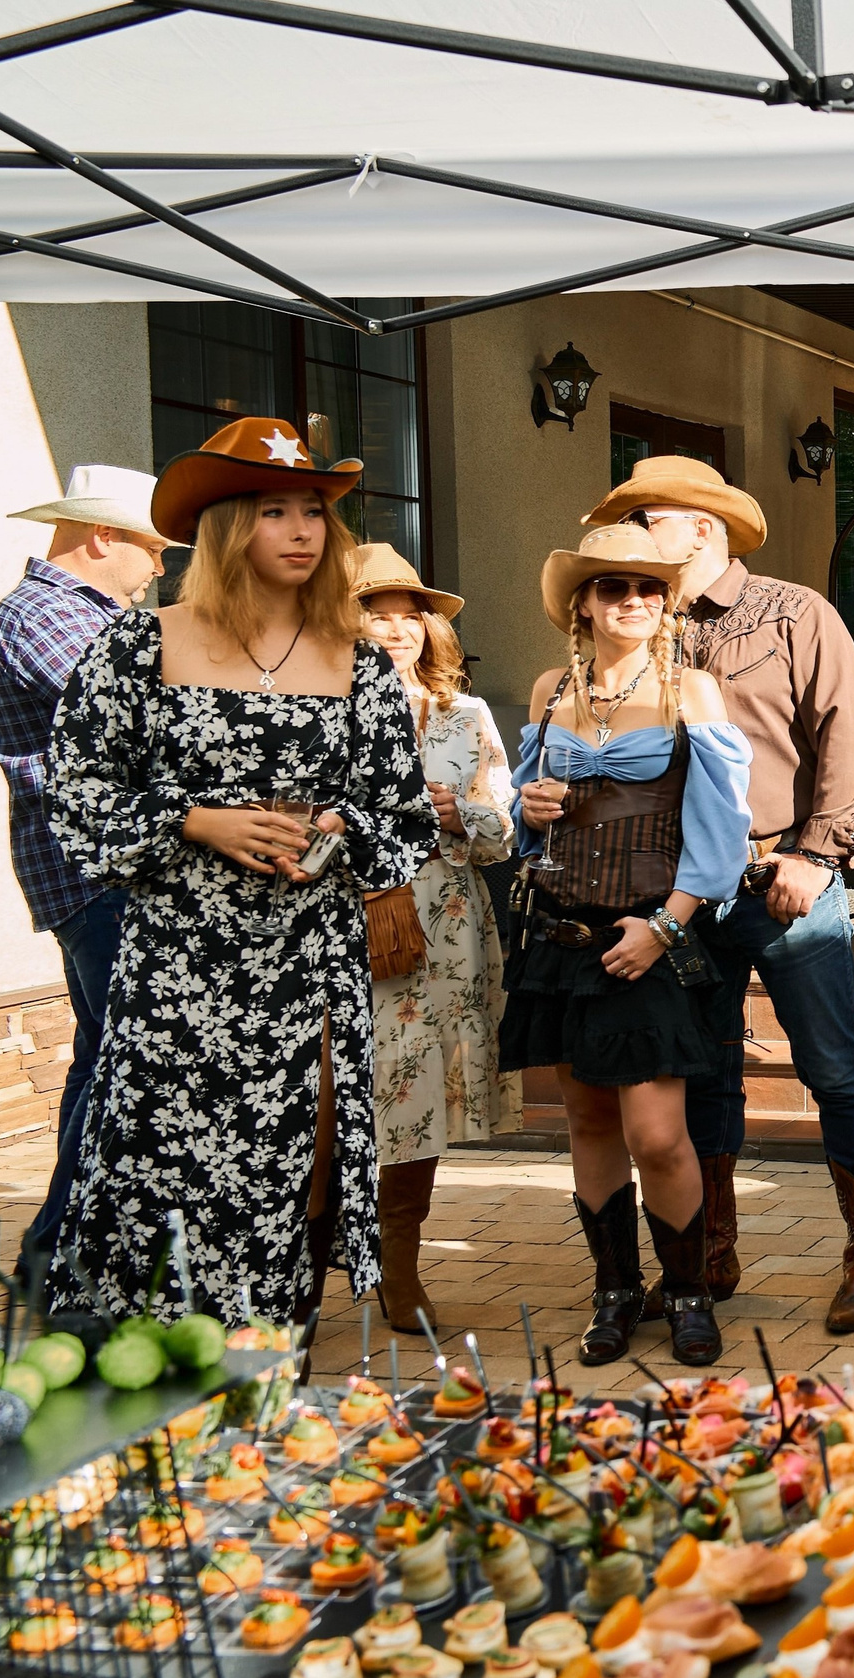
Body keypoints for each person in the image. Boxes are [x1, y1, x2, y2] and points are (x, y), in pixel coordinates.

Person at [45, 418, 435, 1324]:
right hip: (178, 971)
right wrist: (195, 820)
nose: (303, 530)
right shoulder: (138, 649)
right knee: (157, 1169)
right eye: (274, 511)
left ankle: (270, 1381)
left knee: (284, 1174)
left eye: (313, 512)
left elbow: (404, 822)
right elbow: (77, 798)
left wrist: (336, 833)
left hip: (304, 973)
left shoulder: (362, 666)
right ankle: (147, 1386)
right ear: (227, 527)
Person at [582, 458, 854, 1334]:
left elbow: (849, 734)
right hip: (677, 893)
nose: (638, 535)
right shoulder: (639, 624)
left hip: (781, 878)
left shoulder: (796, 613)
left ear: (705, 529)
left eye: (651, 518)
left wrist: (818, 855)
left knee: (834, 1066)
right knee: (703, 1073)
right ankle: (707, 1254)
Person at [506, 523, 753, 1367]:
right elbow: (522, 827)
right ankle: (613, 1293)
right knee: (587, 1121)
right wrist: (528, 811)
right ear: (581, 603)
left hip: (651, 931)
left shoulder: (695, 694)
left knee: (656, 1133)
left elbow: (722, 839)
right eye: (615, 588)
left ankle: (685, 1293)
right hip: (563, 934)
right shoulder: (548, 692)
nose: (636, 602)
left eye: (651, 589)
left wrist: (664, 926)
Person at [0, 465, 168, 1264]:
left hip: (100, 875)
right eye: (151, 548)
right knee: (126, 1062)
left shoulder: (78, 615)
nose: (160, 566)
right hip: (99, 877)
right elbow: (151, 724)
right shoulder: (50, 616)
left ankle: (62, 1250)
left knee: (105, 1058)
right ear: (102, 538)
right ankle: (63, 1253)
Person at [352, 544, 516, 1335]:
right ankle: (317, 1251)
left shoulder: (464, 716)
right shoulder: (318, 706)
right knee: (344, 1092)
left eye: (406, 613)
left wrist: (460, 816)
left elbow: (503, 830)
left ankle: (399, 1266)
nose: (392, 628)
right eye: (372, 612)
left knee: (415, 1095)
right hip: (346, 923)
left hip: (444, 923)